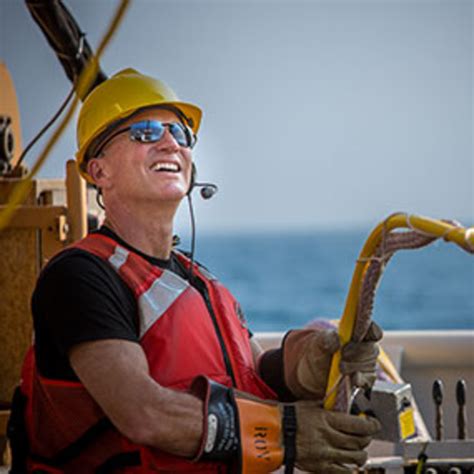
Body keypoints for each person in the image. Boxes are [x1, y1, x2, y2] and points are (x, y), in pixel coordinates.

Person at [15, 68, 382, 473]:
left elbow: (252, 372)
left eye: (181, 134)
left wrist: (307, 364)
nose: (170, 143)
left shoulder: (197, 280)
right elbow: (143, 412)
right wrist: (287, 434)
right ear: (99, 172)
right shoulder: (80, 278)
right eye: (146, 132)